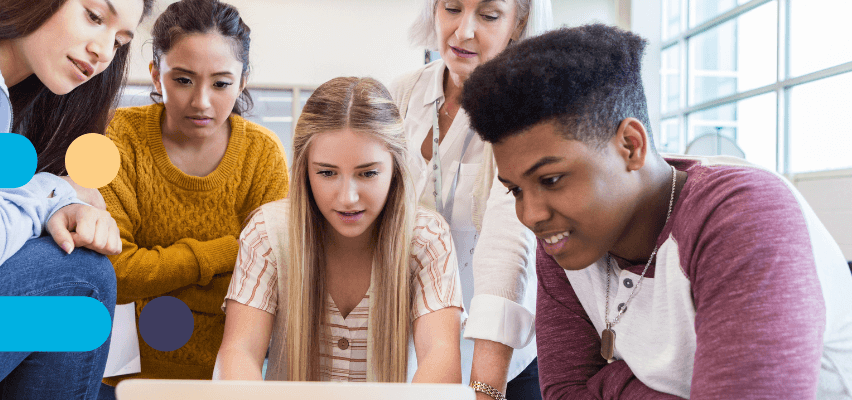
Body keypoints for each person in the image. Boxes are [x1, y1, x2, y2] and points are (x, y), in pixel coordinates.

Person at [461, 23, 852, 399]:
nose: (530, 216)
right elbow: (565, 393)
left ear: (631, 146)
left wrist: (609, 385)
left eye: (550, 180)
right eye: (515, 190)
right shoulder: (568, 239)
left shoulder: (744, 216)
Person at [0, 0, 155, 397]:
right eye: (94, 17)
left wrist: (56, 201)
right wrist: (50, 194)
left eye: (120, 41)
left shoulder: (6, 105)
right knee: (82, 278)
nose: (104, 51)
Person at [213, 77, 463, 383]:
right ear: (305, 169)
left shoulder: (427, 238)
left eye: (368, 173)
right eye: (327, 173)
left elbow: (441, 356)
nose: (347, 198)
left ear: (396, 167)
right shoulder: (267, 233)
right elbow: (239, 353)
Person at [97, 0, 289, 396]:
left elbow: (269, 281)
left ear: (243, 81)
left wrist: (157, 274)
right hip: (119, 379)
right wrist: (226, 253)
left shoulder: (263, 155)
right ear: (155, 75)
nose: (201, 101)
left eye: (220, 83)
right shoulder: (120, 137)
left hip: (229, 377)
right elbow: (113, 274)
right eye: (183, 79)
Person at [390, 0, 553, 398]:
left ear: (519, 23)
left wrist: (485, 389)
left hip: (500, 362)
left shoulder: (527, 111)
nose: (463, 31)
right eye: (451, 8)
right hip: (410, 353)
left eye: (488, 15)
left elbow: (506, 248)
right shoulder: (402, 94)